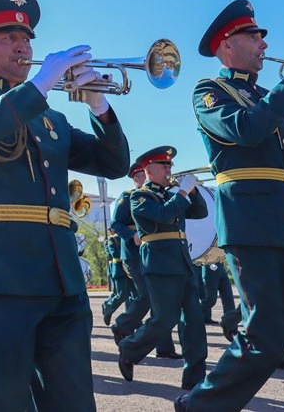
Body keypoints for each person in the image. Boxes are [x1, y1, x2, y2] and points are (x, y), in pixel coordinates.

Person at [0, 0, 130, 411]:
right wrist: (41, 83)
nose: (23, 44)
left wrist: (99, 104)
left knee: (72, 403)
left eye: (26, 37)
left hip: (60, 278)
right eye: (8, 36)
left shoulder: (51, 118)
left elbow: (113, 164)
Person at [176, 0, 284, 412]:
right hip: (254, 227)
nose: (262, 42)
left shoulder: (273, 98)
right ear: (225, 46)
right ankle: (198, 407)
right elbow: (247, 130)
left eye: (261, 35)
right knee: (267, 340)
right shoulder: (212, 92)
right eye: (252, 35)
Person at [116, 146, 208, 389]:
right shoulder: (140, 197)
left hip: (182, 262)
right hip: (159, 265)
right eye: (164, 165)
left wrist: (193, 190)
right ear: (148, 170)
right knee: (164, 320)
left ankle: (194, 378)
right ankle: (130, 348)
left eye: (170, 165)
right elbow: (164, 216)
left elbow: (200, 211)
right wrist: (182, 192)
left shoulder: (170, 195)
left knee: (194, 323)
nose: (169, 169)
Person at [110, 163, 182, 359]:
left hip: (154, 253)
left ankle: (164, 348)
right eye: (141, 175)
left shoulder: (159, 195)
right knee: (146, 296)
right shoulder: (128, 196)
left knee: (158, 299)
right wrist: (131, 234)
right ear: (135, 178)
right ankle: (122, 325)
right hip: (134, 253)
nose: (145, 178)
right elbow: (115, 223)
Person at [200, 261, 235, 325]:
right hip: (209, 269)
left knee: (228, 298)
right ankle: (191, 316)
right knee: (210, 300)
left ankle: (230, 322)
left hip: (221, 267)